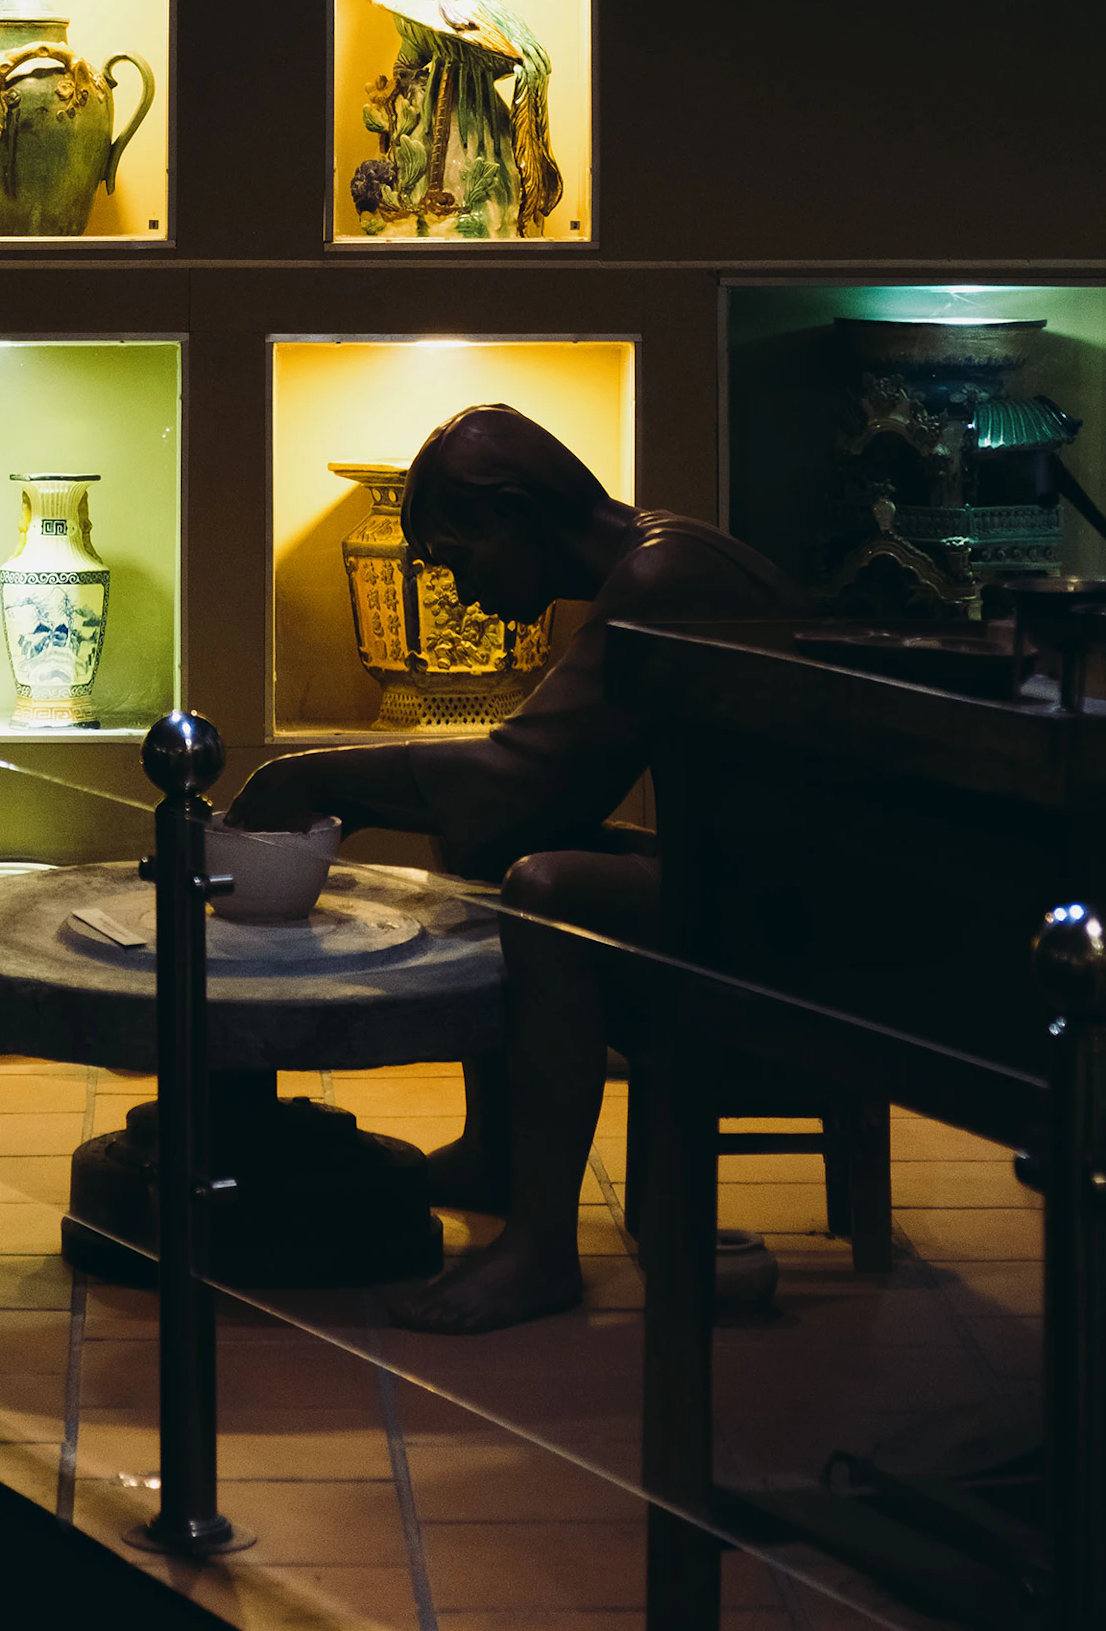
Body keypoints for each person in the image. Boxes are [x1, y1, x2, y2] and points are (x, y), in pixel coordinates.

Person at [227, 403, 790, 1334]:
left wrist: (316, 779)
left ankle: (541, 1251)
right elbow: (528, 791)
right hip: (748, 874)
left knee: (546, 892)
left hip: (799, 918)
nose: (454, 588)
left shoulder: (664, 576)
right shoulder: (658, 558)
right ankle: (497, 1154)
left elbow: (520, 777)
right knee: (493, 847)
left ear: (517, 514)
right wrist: (366, 791)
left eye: (454, 556)